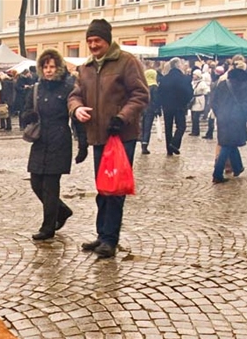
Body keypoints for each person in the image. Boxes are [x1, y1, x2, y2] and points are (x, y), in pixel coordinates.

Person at [68, 18, 149, 259]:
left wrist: (122, 117)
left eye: (97, 40)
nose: (93, 45)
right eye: (90, 41)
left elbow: (141, 95)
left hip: (122, 135)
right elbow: (74, 95)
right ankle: (102, 233)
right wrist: (76, 108)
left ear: (107, 40)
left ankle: (110, 239)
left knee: (115, 189)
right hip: (98, 136)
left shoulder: (126, 62)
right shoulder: (86, 68)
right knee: (103, 188)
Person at [21, 49, 87, 241]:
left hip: (59, 139)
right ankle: (63, 210)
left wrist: (83, 145)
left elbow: (76, 118)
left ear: (58, 67)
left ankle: (47, 227)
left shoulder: (68, 88)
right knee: (35, 183)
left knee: (50, 186)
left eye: (52, 66)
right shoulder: (36, 89)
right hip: (40, 140)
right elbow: (25, 112)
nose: (48, 70)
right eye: (45, 66)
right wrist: (28, 116)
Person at [210, 65, 247, 183]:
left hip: (222, 118)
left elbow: (214, 101)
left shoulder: (222, 84)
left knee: (231, 143)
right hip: (236, 119)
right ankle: (217, 173)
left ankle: (238, 167)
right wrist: (246, 116)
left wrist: (219, 114)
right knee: (227, 145)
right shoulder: (243, 86)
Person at [158, 57, 193, 156]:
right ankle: (174, 143)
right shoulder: (184, 78)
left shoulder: (164, 78)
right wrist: (185, 103)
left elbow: (159, 93)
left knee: (168, 127)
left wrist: (161, 104)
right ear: (178, 65)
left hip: (167, 106)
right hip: (180, 106)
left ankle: (169, 149)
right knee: (181, 126)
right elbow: (189, 93)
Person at [140, 68, 160, 154]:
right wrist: (157, 110)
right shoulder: (154, 87)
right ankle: (145, 145)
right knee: (147, 127)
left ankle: (142, 142)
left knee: (142, 126)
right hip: (150, 109)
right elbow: (155, 100)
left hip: (141, 108)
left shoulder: (142, 85)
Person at [189, 70, 210, 137]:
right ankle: (193, 130)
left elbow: (207, 90)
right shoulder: (193, 82)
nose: (193, 76)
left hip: (199, 100)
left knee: (196, 117)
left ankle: (196, 131)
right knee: (193, 116)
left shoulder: (202, 83)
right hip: (194, 99)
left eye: (194, 75)